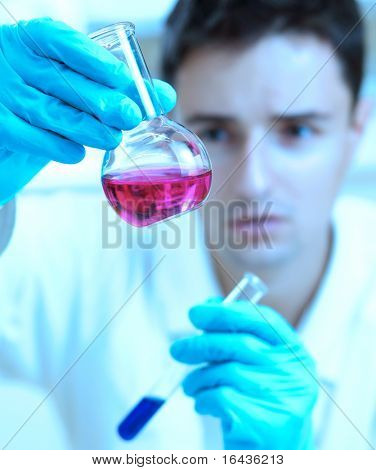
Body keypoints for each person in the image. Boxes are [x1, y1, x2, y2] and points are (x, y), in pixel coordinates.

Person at [0, 0, 374, 450]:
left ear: (358, 127)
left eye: (297, 132)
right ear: (175, 123)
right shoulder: (80, 258)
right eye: (215, 133)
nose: (254, 184)